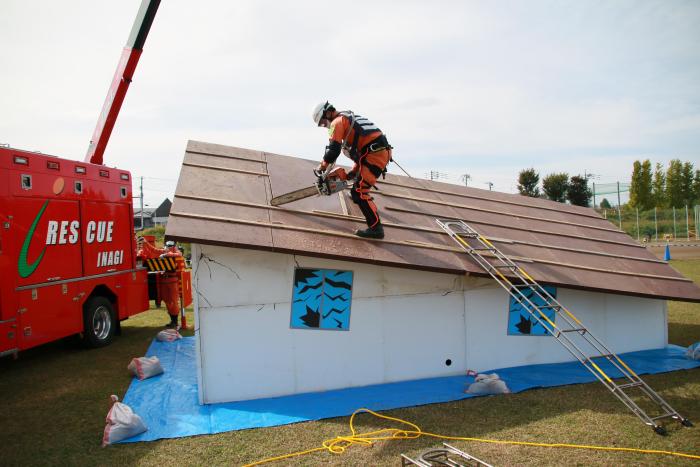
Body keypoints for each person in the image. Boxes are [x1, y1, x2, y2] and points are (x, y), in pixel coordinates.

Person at [312, 101, 392, 239]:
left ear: (328, 113)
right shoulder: (347, 117)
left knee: (359, 192)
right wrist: (353, 172)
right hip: (376, 152)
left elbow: (333, 151)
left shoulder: (337, 122)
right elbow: (361, 148)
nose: (325, 126)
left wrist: (322, 167)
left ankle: (376, 229)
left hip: (375, 154)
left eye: (324, 123)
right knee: (355, 183)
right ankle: (358, 196)